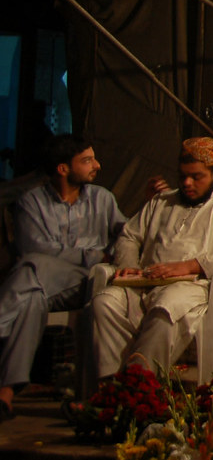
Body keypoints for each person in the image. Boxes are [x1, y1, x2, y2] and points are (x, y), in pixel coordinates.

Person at [92, 137, 213, 379]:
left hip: (191, 288)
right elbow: (129, 236)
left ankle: (139, 387)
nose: (187, 183)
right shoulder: (160, 202)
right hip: (143, 283)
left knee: (164, 310)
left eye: (196, 177)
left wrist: (187, 266)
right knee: (104, 303)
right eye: (182, 176)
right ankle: (108, 388)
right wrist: (129, 267)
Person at [0, 135, 125, 421]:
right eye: (87, 160)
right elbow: (36, 248)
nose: (97, 165)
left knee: (31, 266)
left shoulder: (102, 199)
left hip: (86, 283)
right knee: (31, 294)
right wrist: (94, 254)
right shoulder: (31, 202)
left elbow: (126, 236)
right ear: (62, 169)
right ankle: (4, 396)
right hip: (42, 283)